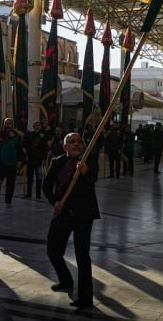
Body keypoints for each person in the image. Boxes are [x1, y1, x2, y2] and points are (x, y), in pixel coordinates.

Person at [44, 131, 100, 311]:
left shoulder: (88, 160)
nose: (76, 143)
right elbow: (46, 185)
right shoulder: (57, 162)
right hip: (64, 211)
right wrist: (55, 201)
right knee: (53, 248)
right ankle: (65, 280)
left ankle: (85, 298)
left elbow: (94, 177)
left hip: (84, 213)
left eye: (79, 141)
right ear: (64, 146)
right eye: (71, 141)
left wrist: (85, 171)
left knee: (82, 255)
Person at [0, 118, 22, 205]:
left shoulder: (17, 135)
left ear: (12, 125)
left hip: (12, 163)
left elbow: (20, 149)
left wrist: (19, 161)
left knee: (10, 184)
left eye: (9, 123)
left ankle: (8, 201)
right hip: (1, 163)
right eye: (6, 123)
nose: (7, 125)